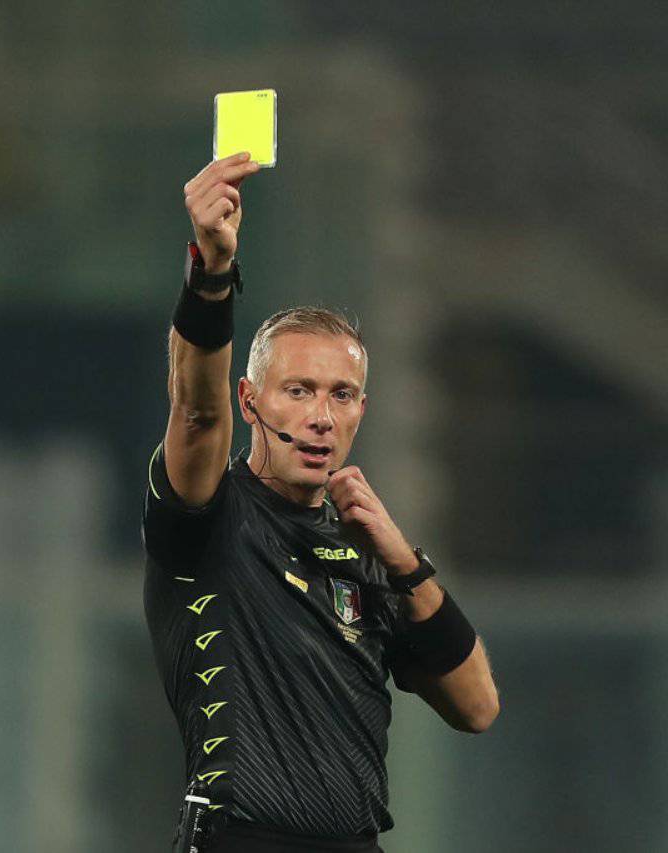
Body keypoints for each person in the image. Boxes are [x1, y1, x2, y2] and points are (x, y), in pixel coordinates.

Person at [143, 153, 500, 853]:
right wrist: (212, 271)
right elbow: (194, 411)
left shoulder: (372, 558)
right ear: (252, 401)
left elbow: (478, 705)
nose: (320, 416)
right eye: (298, 390)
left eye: (340, 395)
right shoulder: (210, 515)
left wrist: (404, 561)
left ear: (362, 409)